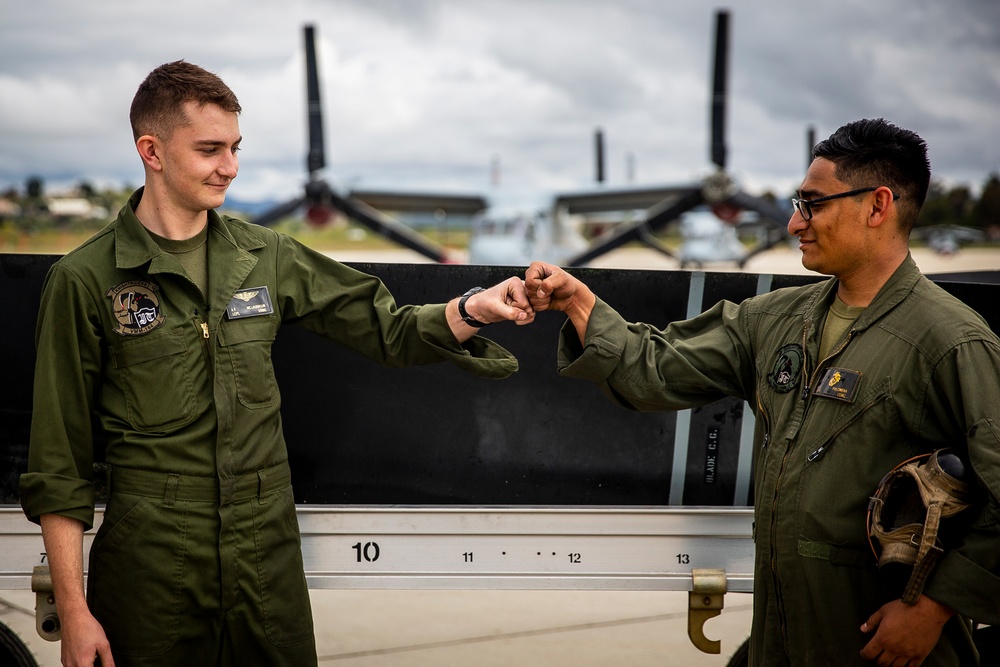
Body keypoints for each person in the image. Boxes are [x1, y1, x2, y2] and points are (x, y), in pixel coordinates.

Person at [19, 60, 534, 667]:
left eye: (236, 148)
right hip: (150, 562)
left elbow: (386, 328)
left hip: (265, 554)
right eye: (210, 149)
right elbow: (60, 462)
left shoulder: (265, 257)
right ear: (151, 151)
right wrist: (76, 613)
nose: (230, 167)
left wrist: (477, 308)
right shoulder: (84, 280)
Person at [525, 118, 1000, 666]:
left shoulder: (952, 343)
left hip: (887, 647)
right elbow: (654, 368)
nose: (795, 222)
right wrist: (579, 305)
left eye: (813, 204)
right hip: (784, 639)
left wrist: (933, 609)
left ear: (878, 206)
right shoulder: (771, 321)